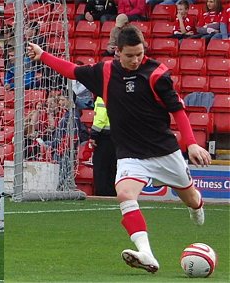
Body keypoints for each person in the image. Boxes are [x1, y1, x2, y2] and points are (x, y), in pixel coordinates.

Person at [27, 26, 211, 273]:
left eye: (139, 54)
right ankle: (146, 254)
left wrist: (190, 143)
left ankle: (196, 205)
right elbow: (72, 70)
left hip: (163, 152)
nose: (135, 60)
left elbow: (177, 110)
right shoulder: (104, 72)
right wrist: (43, 56)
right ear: (117, 52)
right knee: (124, 195)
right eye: (130, 55)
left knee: (190, 197)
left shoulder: (157, 74)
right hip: (130, 153)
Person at [89, 96, 117, 197]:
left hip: (104, 137)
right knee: (113, 166)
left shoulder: (102, 98)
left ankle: (102, 193)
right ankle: (113, 192)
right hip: (117, 135)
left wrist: (93, 135)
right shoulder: (116, 95)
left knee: (101, 167)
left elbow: (100, 119)